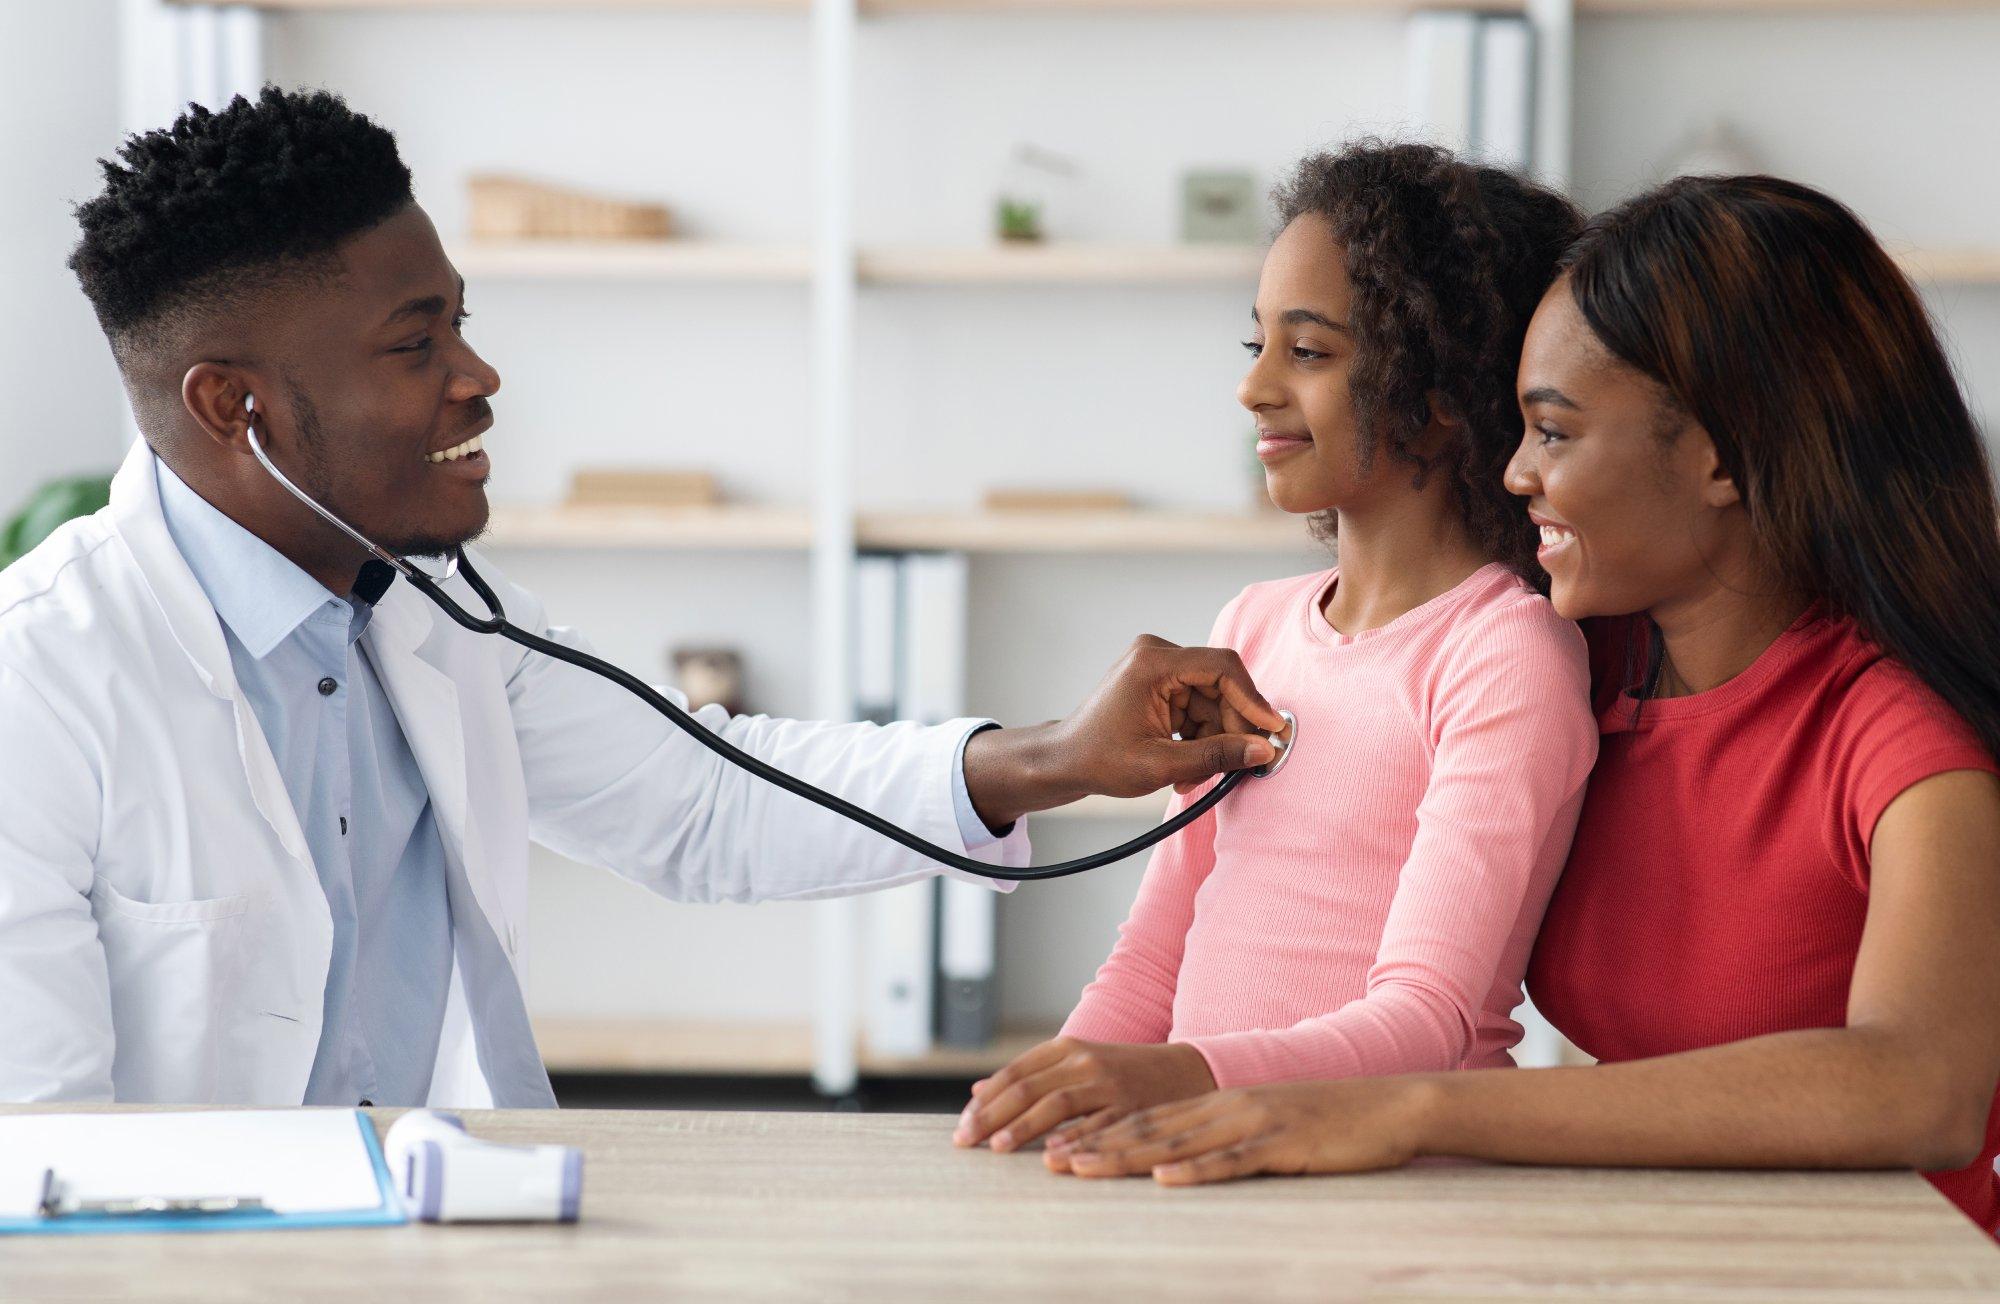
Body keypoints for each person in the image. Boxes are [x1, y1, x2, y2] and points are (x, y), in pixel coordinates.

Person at [0, 88, 1287, 1107]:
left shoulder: (433, 613)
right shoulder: (40, 684)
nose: (478, 375)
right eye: (415, 344)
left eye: (460, 322)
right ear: (237, 407)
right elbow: (37, 1154)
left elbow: (708, 802)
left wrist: (1058, 756)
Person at [1055, 174, 2000, 1235]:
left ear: (1721, 456)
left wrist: (1409, 1103)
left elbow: (1921, 1089)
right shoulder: (1593, 685)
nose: (1511, 473)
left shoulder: (1909, 744)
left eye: (1551, 432)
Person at [954, 143, 1597, 1156]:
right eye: (1255, 344)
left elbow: (1424, 1022)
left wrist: (1166, 1075)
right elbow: (1150, 959)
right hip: (1208, 1150)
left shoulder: (1500, 655)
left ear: (1442, 393)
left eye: (1306, 352)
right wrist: (1037, 1105)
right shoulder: (1249, 629)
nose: (1252, 387)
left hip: (1397, 1177)